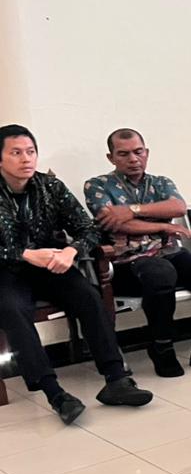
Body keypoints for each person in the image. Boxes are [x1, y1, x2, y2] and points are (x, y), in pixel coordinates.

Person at [0, 125, 152, 424]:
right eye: (16, 153)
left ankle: (116, 379)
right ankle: (54, 393)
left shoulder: (50, 186)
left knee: (87, 296)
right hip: (6, 273)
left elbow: (89, 228)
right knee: (13, 311)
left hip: (52, 264)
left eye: (30, 152)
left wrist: (71, 252)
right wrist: (24, 254)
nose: (26, 159)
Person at [84, 128, 191, 377]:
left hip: (169, 253)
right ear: (111, 158)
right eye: (123, 154)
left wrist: (131, 209)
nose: (133, 159)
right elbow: (117, 224)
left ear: (147, 153)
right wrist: (164, 224)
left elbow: (178, 206)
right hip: (126, 261)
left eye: (138, 152)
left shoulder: (161, 182)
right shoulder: (97, 185)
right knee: (159, 272)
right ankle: (161, 347)